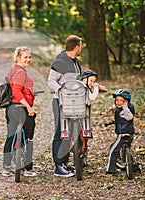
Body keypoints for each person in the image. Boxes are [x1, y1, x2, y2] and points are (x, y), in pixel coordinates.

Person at [47, 35, 83, 177]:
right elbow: (51, 81)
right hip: (60, 102)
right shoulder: (60, 61)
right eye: (80, 45)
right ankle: (57, 166)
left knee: (69, 132)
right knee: (60, 132)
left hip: (74, 101)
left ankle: (65, 161)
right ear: (76, 47)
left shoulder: (75, 62)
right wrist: (62, 92)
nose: (81, 48)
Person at [2, 46, 38, 177]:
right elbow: (16, 91)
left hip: (10, 108)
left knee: (10, 136)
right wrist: (28, 107)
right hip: (20, 108)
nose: (28, 60)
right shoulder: (21, 72)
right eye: (25, 57)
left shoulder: (12, 70)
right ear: (18, 57)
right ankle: (28, 168)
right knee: (29, 137)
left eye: (29, 57)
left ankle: (6, 168)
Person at [106, 89, 135, 175]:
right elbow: (121, 119)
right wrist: (110, 122)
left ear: (126, 101)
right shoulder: (119, 110)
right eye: (117, 100)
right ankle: (131, 164)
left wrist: (125, 107)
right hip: (130, 133)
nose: (119, 102)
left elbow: (129, 117)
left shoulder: (127, 109)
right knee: (126, 148)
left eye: (122, 101)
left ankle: (110, 170)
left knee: (113, 150)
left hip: (123, 134)